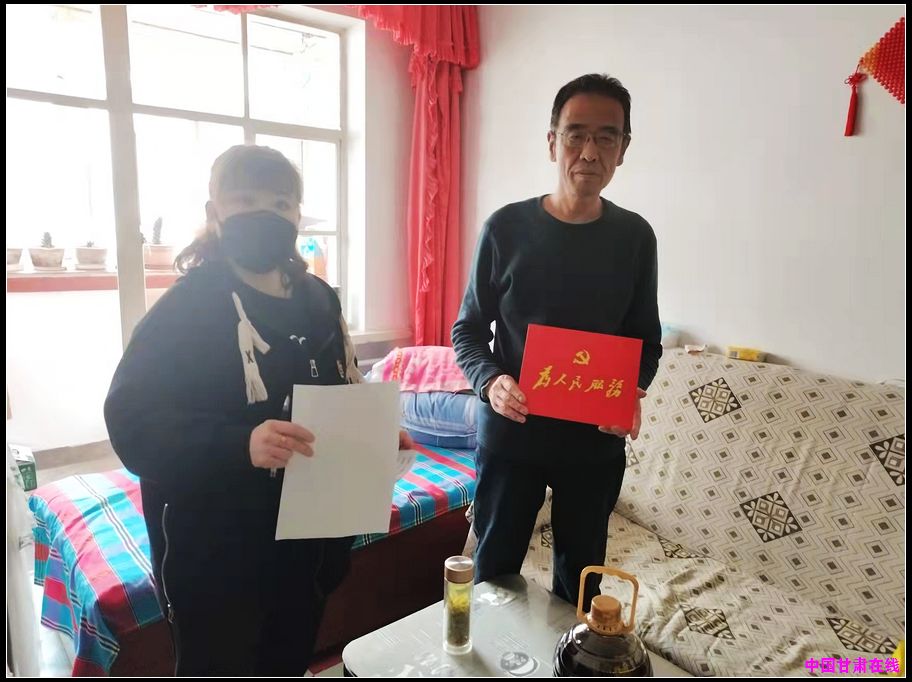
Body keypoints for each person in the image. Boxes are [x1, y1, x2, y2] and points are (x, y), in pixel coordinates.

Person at [104, 145, 412, 676]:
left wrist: (377, 432)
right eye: (245, 200)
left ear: (297, 216)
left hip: (308, 542)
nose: (264, 214)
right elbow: (132, 423)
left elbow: (340, 389)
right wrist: (241, 444)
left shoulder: (318, 299)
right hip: (218, 553)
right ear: (215, 212)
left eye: (280, 203)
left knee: (287, 658)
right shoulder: (186, 308)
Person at [452, 74, 662, 608]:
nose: (590, 152)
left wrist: (629, 392)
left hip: (593, 444)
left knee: (582, 581)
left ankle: (569, 653)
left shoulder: (635, 238)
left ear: (623, 149)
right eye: (576, 135)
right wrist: (490, 381)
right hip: (512, 434)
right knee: (493, 575)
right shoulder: (505, 228)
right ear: (553, 142)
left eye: (607, 137)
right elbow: (468, 330)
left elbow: (647, 341)